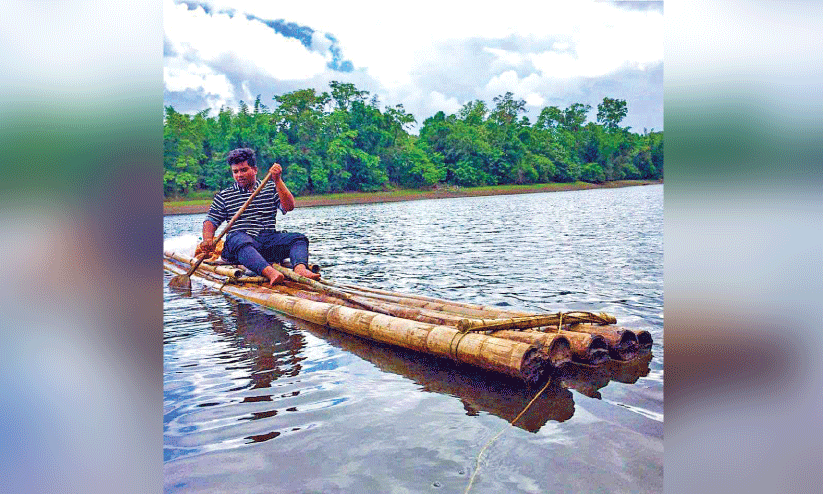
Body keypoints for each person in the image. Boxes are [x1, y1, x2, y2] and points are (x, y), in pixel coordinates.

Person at [198, 147, 321, 286]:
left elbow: (289, 206)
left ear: (255, 170)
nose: (239, 175)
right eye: (235, 171)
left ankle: (300, 269)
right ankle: (270, 273)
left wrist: (278, 180)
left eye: (244, 170)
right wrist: (207, 239)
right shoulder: (224, 196)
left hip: (266, 242)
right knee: (238, 238)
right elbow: (211, 220)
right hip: (238, 248)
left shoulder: (271, 188)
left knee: (298, 239)